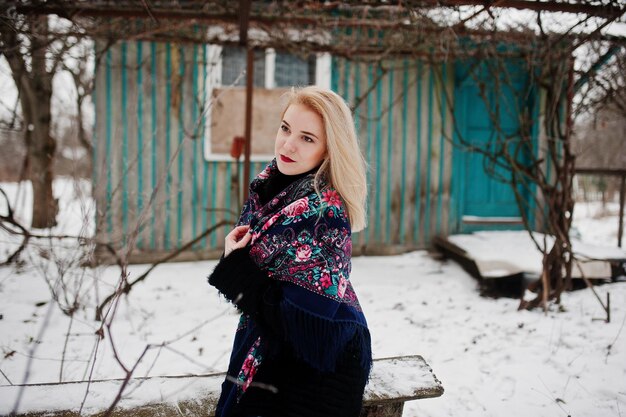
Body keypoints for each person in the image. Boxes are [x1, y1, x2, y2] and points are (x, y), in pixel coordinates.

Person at [208, 85, 371, 417]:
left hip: (309, 382)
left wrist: (235, 266)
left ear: (329, 151)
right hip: (274, 355)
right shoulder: (275, 192)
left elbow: (300, 321)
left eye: (307, 138)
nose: (287, 144)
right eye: (285, 128)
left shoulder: (324, 213)